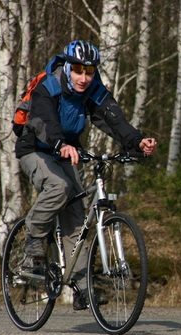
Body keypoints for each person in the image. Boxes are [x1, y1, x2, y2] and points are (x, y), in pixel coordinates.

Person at [15, 40, 157, 310]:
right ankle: (33, 247)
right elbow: (43, 122)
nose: (83, 77)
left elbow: (113, 120)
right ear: (67, 66)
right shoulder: (49, 86)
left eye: (89, 71)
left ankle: (82, 289)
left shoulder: (93, 90)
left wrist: (137, 142)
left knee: (77, 217)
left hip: (64, 152)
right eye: (78, 70)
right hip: (35, 148)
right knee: (58, 187)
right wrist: (60, 144)